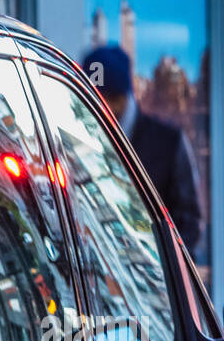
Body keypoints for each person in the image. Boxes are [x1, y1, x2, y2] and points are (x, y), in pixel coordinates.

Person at [81, 44, 203, 254]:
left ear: (118, 98)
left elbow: (188, 220)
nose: (92, 108)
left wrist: (165, 265)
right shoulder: (81, 134)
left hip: (152, 267)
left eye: (98, 99)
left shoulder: (168, 142)